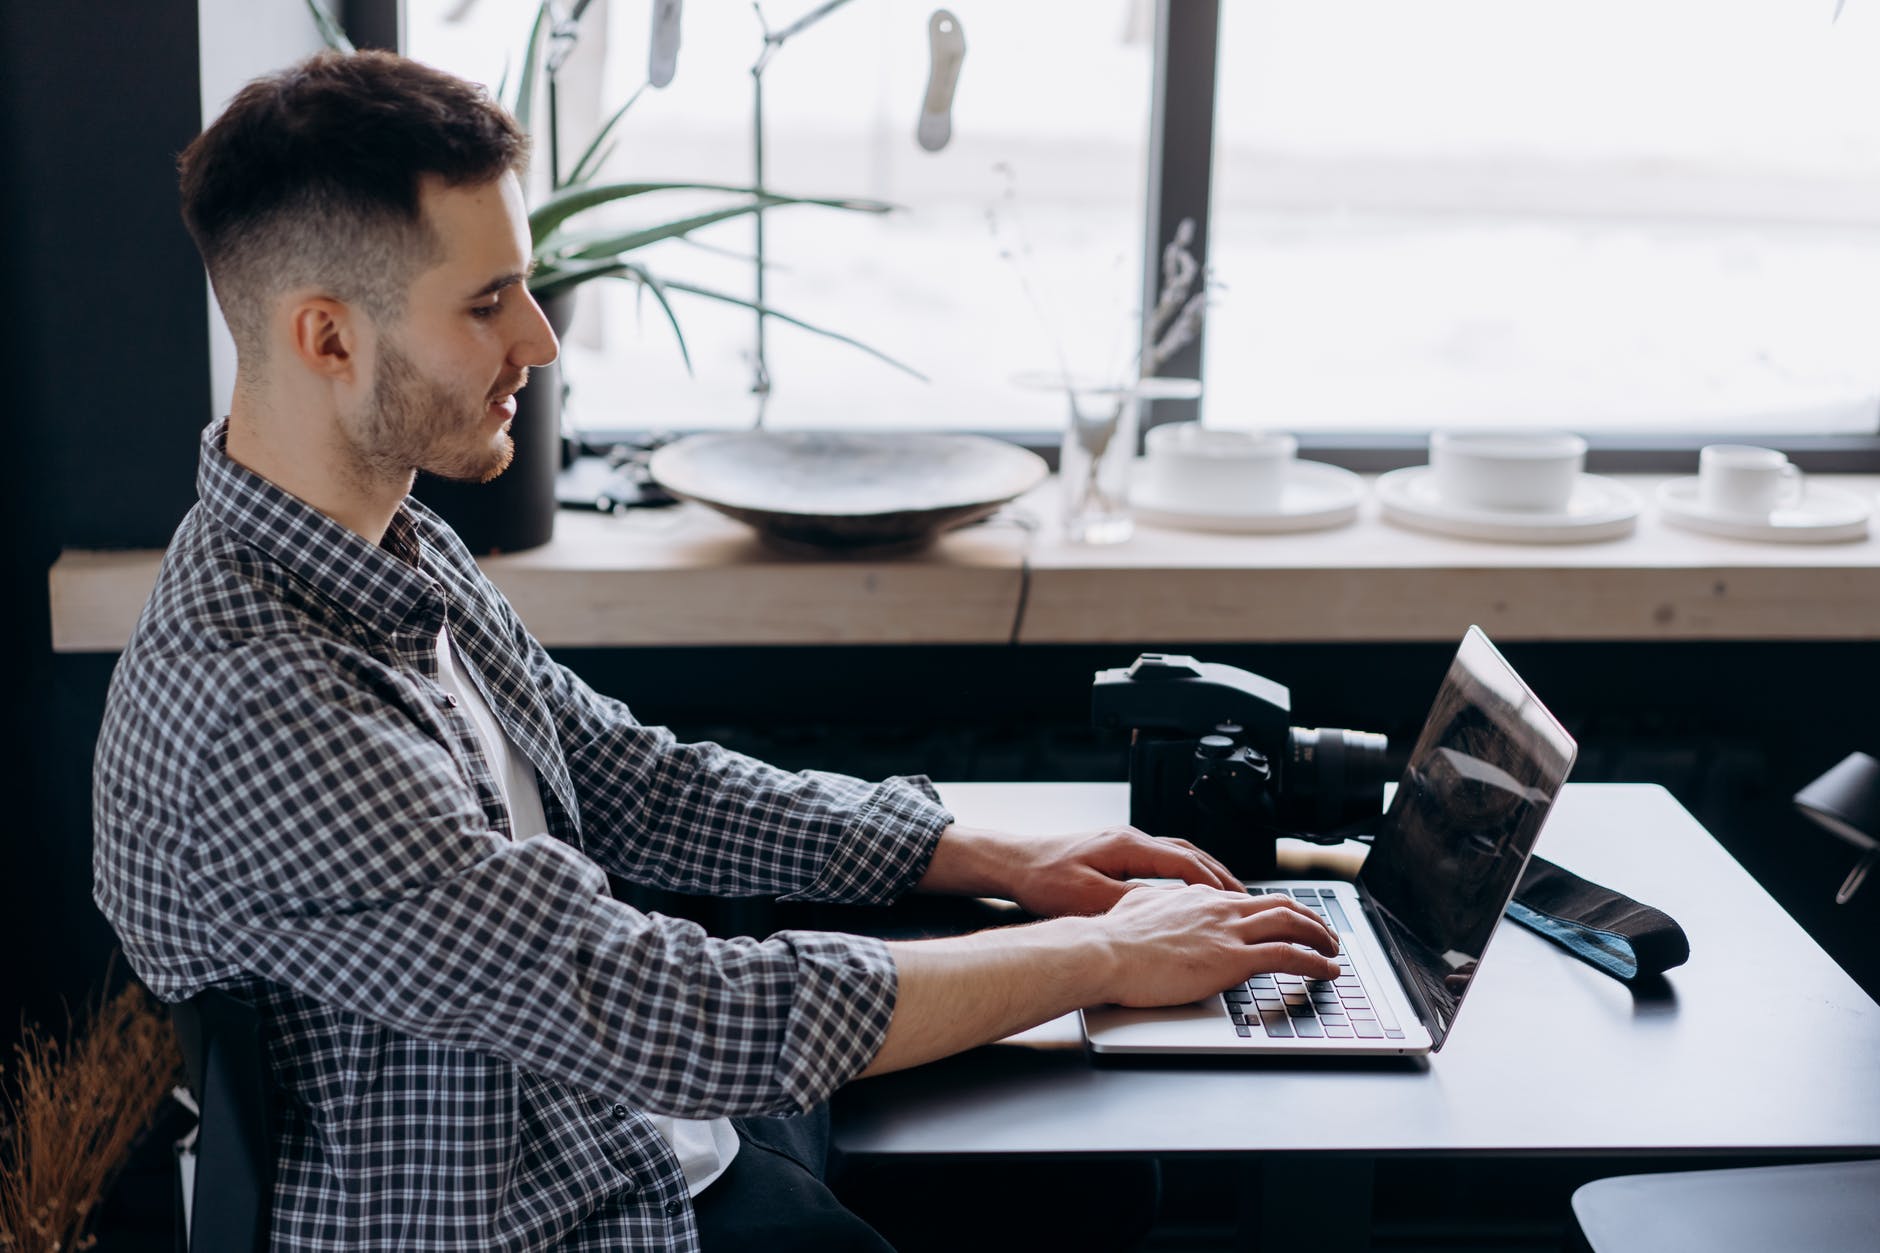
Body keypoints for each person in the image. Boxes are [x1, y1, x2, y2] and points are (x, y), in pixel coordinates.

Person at [91, 49, 1340, 1252]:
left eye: (525, 284)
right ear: (327, 339)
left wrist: (994, 854)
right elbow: (665, 1011)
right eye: (486, 304)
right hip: (552, 1213)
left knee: (1098, 1175)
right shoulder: (264, 702)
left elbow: (630, 780)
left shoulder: (386, 544)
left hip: (630, 1129)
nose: (540, 340)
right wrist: (1098, 953)